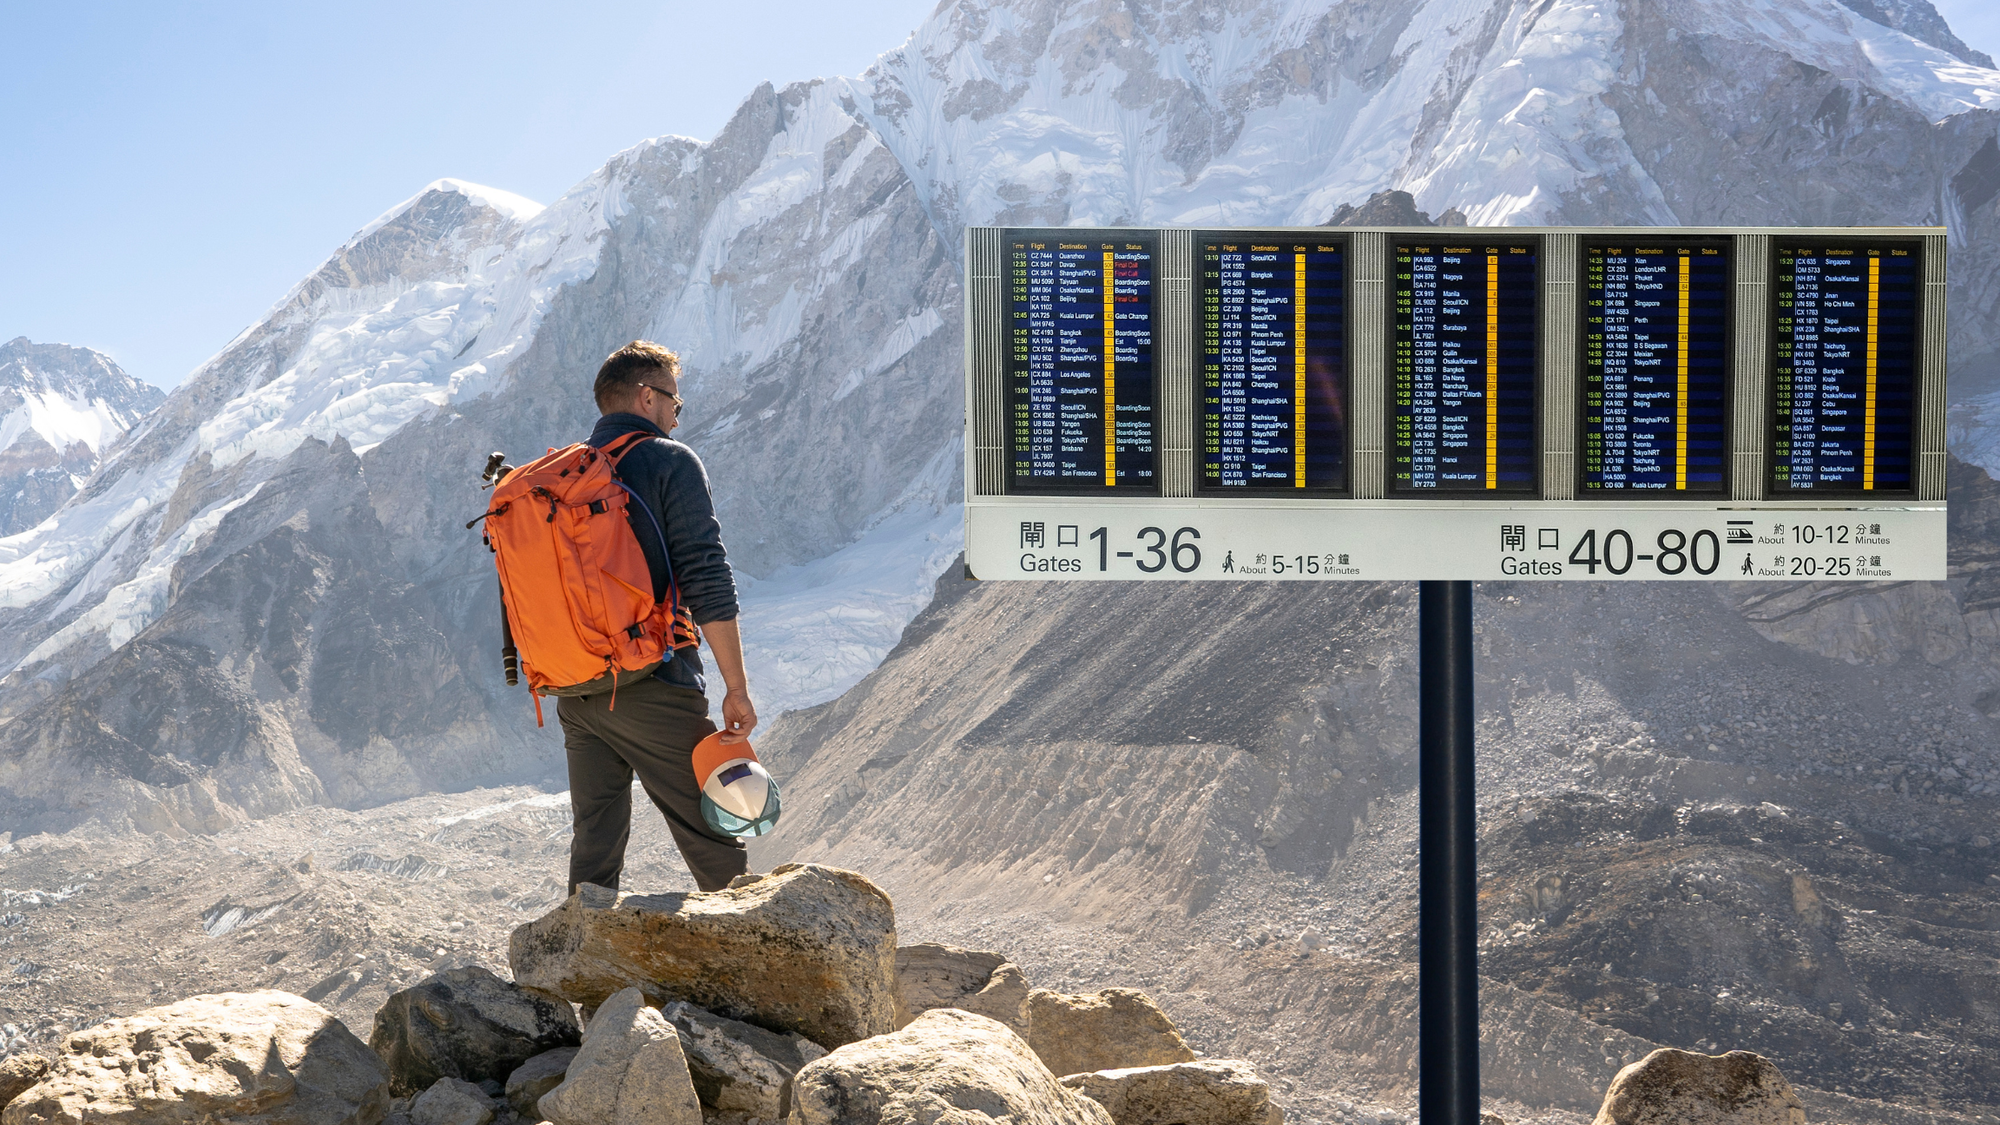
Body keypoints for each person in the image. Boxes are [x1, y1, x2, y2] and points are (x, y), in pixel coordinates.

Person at [558, 340, 758, 894]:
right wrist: (736, 688)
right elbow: (706, 575)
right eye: (675, 400)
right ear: (647, 397)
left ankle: (580, 972)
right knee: (713, 835)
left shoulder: (563, 475)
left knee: (595, 849)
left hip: (576, 689)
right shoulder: (669, 460)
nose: (677, 413)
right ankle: (772, 973)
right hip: (653, 683)